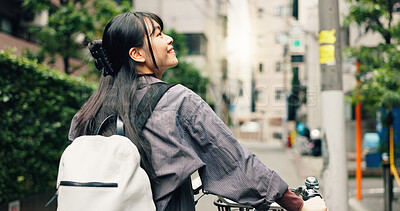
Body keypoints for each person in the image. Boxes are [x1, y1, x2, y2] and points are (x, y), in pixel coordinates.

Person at [68, 12, 326, 211]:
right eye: (157, 35)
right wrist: (299, 204)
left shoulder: (88, 113)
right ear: (136, 54)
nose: (168, 39)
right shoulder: (177, 100)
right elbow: (235, 162)